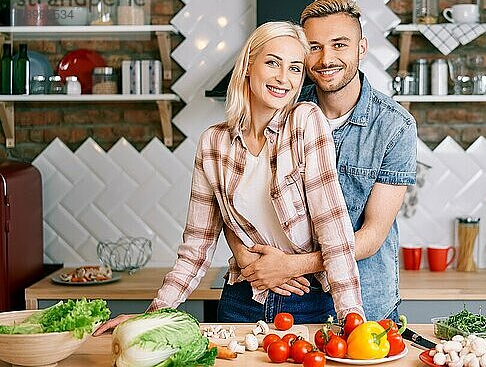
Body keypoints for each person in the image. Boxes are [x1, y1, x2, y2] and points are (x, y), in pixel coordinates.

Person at [95, 21, 364, 334]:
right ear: (249, 64)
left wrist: (352, 320)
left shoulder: (305, 122)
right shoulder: (213, 143)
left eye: (294, 68)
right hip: (241, 300)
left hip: (309, 301)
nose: (283, 78)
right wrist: (153, 316)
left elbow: (333, 227)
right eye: (272, 63)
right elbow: (196, 247)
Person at [226, 0, 417, 322]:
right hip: (274, 294)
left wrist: (290, 265)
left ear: (361, 48)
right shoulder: (280, 103)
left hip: (362, 301)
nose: (327, 58)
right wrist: (247, 259)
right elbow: (232, 197)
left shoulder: (394, 126)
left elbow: (371, 237)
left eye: (339, 44)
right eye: (314, 47)